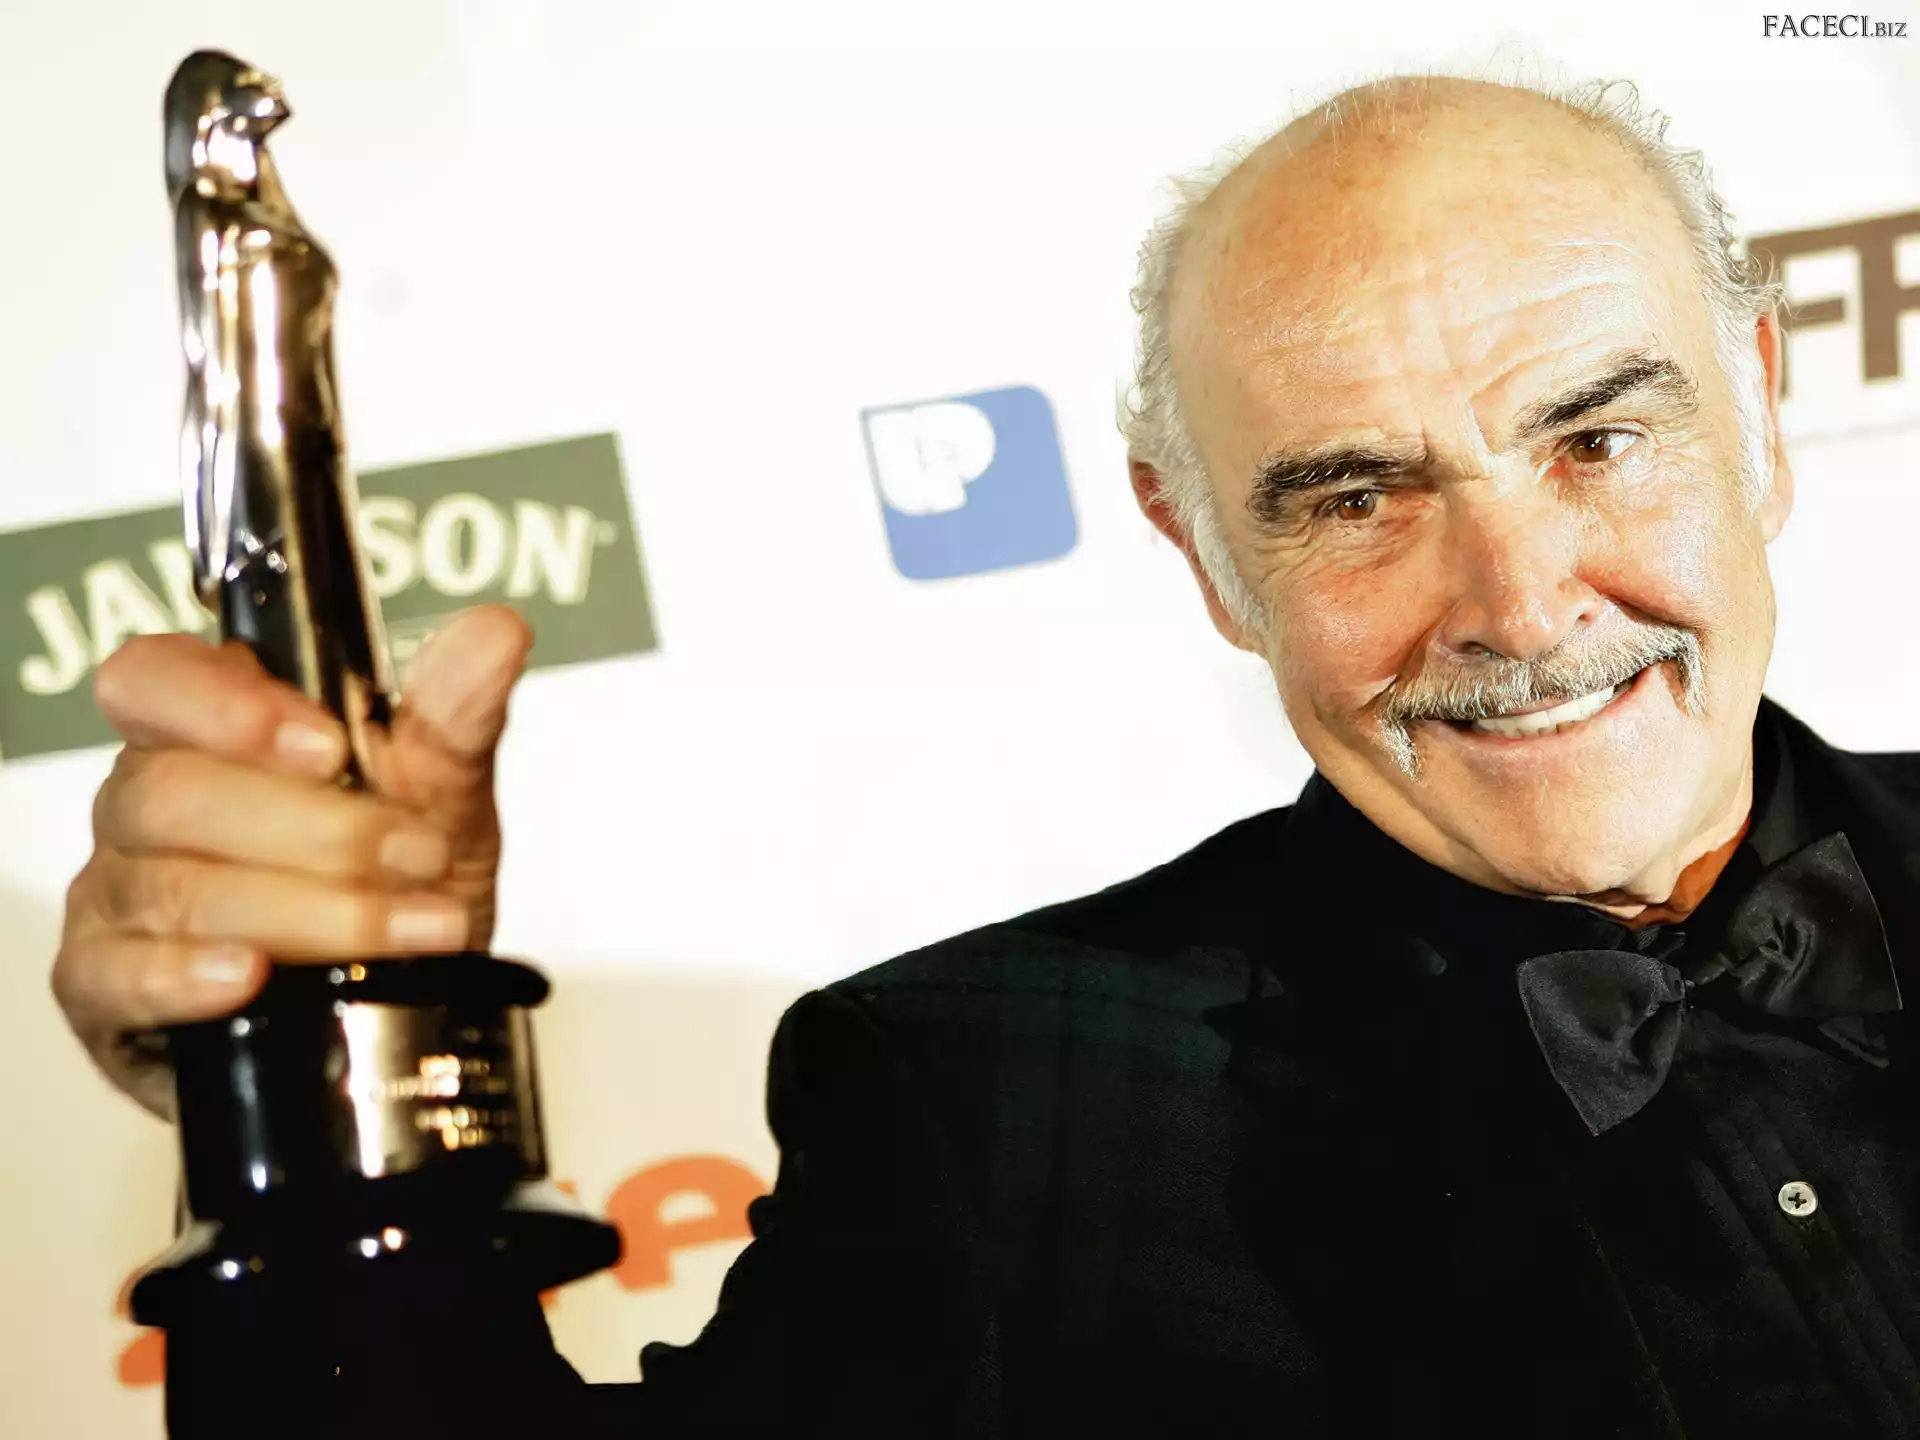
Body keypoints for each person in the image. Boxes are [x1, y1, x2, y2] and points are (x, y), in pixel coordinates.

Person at [50, 74, 1920, 1437]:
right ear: (1206, 554)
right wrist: (312, 1084)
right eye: (1359, 498)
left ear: (1759, 412)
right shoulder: (1002, 1104)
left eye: (1600, 439)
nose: (1518, 606)